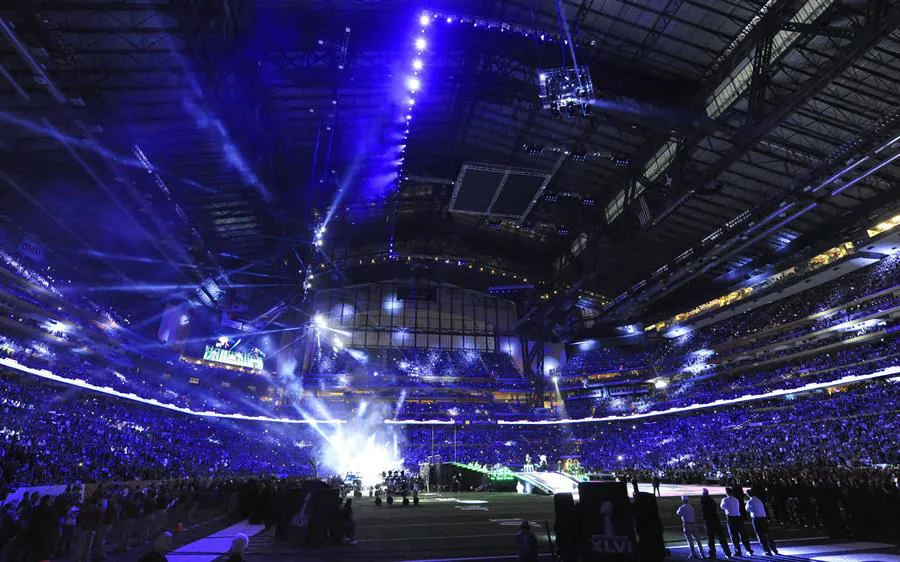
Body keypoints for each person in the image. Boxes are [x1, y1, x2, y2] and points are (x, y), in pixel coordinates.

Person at [721, 488, 753, 556]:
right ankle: (748, 549)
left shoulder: (725, 499)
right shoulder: (736, 499)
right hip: (738, 517)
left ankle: (738, 551)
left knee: (734, 535)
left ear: (726, 493)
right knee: (742, 534)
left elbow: (722, 507)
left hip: (731, 518)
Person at [700, 489, 731, 559]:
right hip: (716, 519)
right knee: (721, 537)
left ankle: (712, 554)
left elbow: (703, 509)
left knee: (711, 538)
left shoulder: (703, 500)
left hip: (708, 521)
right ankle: (727, 552)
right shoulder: (712, 500)